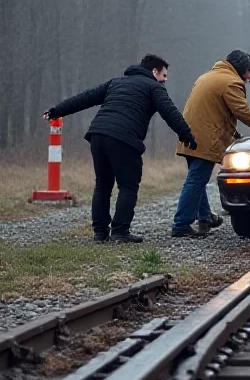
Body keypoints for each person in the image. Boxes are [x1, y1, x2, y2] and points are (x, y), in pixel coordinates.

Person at [43, 54, 196, 243]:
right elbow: (170, 113)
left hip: (98, 135)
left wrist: (56, 110)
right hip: (124, 138)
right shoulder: (154, 88)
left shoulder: (116, 82)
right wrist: (187, 136)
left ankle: (100, 233)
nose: (165, 80)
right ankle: (120, 232)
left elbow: (86, 98)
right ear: (154, 72)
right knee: (128, 186)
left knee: (103, 184)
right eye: (164, 75)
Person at [172, 50, 250, 237]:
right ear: (242, 69)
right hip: (205, 138)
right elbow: (242, 111)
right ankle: (181, 224)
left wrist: (235, 135)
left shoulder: (208, 77)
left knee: (197, 180)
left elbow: (217, 114)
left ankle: (205, 217)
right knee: (196, 180)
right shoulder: (231, 82)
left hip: (188, 135)